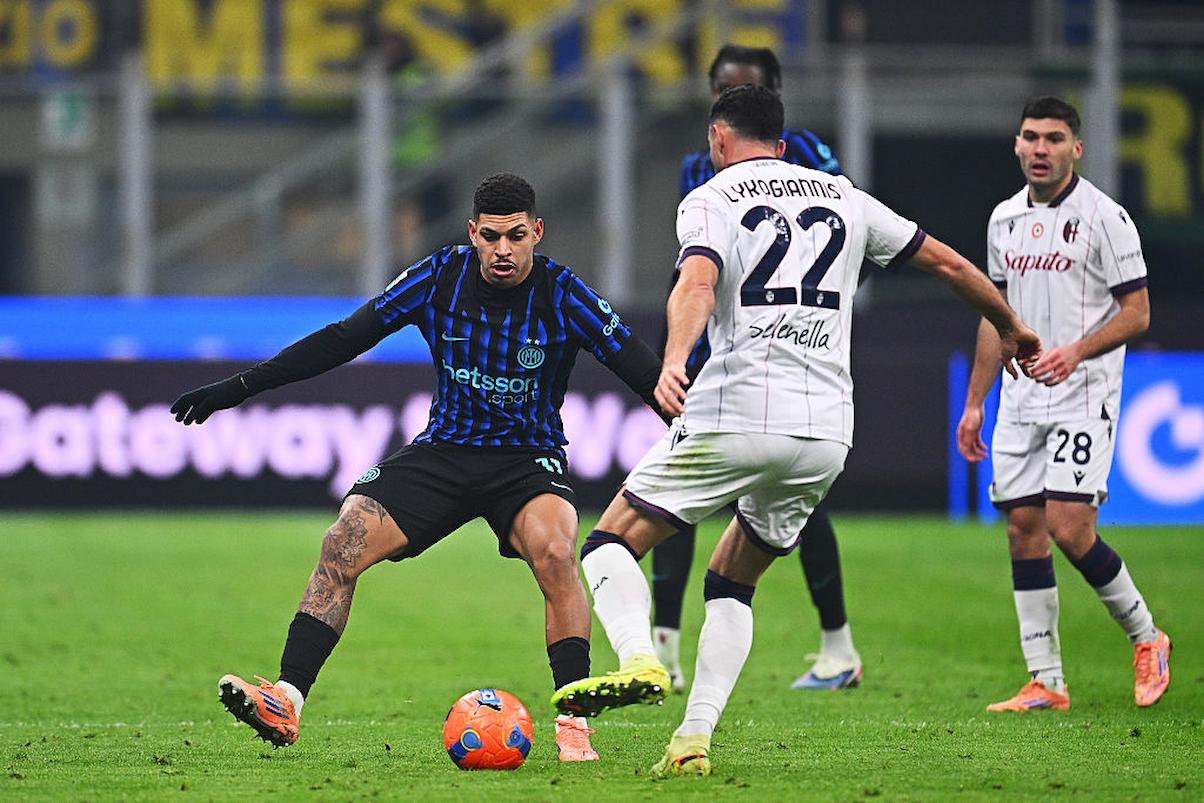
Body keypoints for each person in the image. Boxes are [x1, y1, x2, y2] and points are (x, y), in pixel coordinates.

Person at [550, 85, 1041, 776]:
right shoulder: (844, 197)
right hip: (825, 433)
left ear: (718, 140)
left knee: (607, 543)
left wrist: (673, 358)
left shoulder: (711, 198)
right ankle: (692, 739)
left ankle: (640, 656)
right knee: (733, 581)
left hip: (736, 409)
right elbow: (952, 265)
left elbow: (697, 283)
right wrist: (1011, 324)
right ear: (781, 144)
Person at [170, 173, 665, 763]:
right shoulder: (438, 277)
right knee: (342, 542)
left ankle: (573, 724)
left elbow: (641, 369)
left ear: (537, 231)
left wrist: (697, 434)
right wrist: (241, 386)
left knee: (557, 554)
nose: (502, 250)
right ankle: (286, 699)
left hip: (527, 459)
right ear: (472, 233)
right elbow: (345, 338)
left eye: (515, 236)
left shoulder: (565, 294)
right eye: (490, 237)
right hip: (443, 452)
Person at [653, 43, 858, 695]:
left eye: (742, 85)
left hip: (792, 352)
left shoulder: (808, 156)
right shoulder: (698, 165)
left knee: (797, 499)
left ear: (772, 93)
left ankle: (838, 645)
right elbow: (700, 260)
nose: (726, 94)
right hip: (718, 352)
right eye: (720, 84)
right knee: (674, 496)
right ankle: (664, 649)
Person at [956, 96, 1170, 713]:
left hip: (1083, 393)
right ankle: (1046, 680)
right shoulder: (1003, 220)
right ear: (1016, 145)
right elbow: (996, 317)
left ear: (1076, 148)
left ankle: (1147, 637)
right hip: (1021, 399)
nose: (1040, 149)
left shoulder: (1105, 218)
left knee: (1069, 527)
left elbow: (1138, 312)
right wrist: (975, 402)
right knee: (1023, 528)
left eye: (1053, 139)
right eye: (1031, 137)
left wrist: (1076, 351)